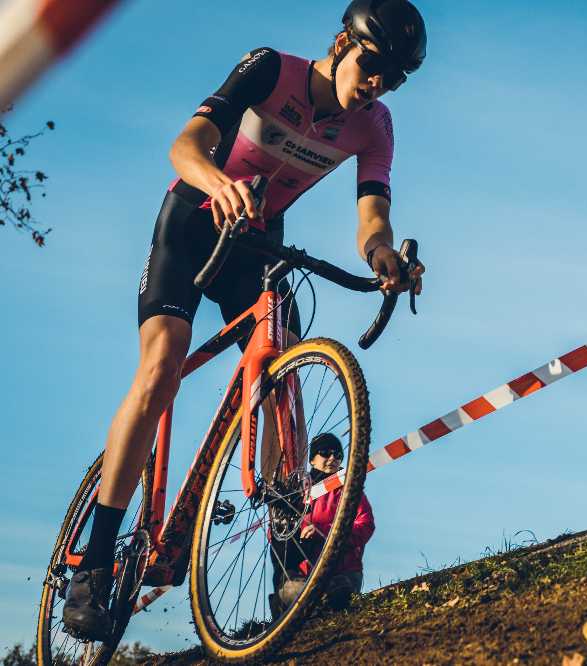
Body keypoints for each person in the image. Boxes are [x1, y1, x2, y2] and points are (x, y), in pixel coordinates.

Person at [62, 0, 426, 640]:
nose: (376, 83)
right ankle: (93, 564)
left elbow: (372, 216)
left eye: (392, 78)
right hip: (193, 223)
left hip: (257, 243)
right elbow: (184, 146)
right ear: (342, 42)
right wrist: (217, 181)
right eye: (372, 64)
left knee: (284, 378)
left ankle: (289, 559)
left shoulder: (375, 126)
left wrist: (383, 256)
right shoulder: (271, 69)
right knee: (161, 368)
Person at [272, 433, 374, 614]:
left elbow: (365, 525)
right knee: (294, 590)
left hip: (344, 572)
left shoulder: (350, 488)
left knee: (338, 592)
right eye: (325, 452)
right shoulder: (298, 491)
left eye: (338, 454)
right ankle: (294, 603)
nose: (333, 458)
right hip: (305, 574)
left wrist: (325, 532)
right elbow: (278, 532)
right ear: (312, 460)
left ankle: (315, 604)